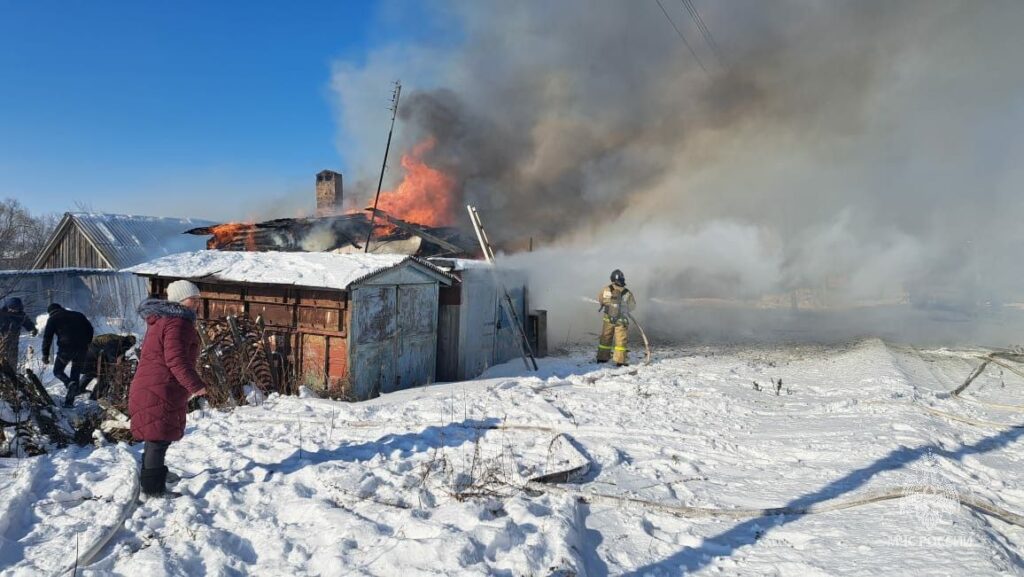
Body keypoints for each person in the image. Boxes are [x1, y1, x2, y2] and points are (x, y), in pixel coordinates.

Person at [129, 280, 208, 497]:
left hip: (155, 385)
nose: (197, 304)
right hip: (160, 387)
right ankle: (153, 489)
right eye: (193, 299)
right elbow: (176, 360)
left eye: (198, 299)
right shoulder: (178, 322)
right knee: (158, 438)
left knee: (156, 435)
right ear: (180, 300)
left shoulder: (164, 320)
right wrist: (196, 385)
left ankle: (154, 473)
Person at [41, 303, 95, 407]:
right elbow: (90, 329)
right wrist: (87, 342)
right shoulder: (78, 315)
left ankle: (68, 383)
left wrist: (45, 354)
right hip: (82, 350)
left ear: (50, 313)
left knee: (57, 371)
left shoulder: (52, 319)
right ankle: (69, 402)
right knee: (75, 373)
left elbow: (47, 338)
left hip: (65, 350)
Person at [596, 269, 636, 367]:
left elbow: (600, 299)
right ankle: (620, 361)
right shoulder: (627, 292)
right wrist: (624, 308)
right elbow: (632, 306)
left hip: (608, 318)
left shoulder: (606, 289)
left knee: (605, 338)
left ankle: (602, 358)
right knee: (620, 340)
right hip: (621, 320)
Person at [81, 333, 137, 400]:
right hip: (94, 351)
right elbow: (111, 353)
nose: (129, 347)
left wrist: (121, 360)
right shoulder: (117, 342)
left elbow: (119, 354)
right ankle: (95, 396)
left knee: (92, 372)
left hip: (94, 350)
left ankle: (81, 389)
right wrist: (115, 361)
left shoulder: (121, 342)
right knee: (102, 375)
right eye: (130, 345)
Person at [0, 297, 37, 368]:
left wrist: (33, 329)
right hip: (2, 341)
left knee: (12, 365)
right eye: (12, 308)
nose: (14, 310)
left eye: (16, 308)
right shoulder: (2, 314)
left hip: (13, 344)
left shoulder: (21, 316)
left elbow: (28, 323)